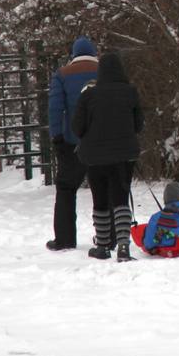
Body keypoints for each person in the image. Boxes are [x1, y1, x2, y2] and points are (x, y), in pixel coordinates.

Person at [72, 51, 143, 261]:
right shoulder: (130, 93)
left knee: (99, 200)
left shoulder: (88, 95)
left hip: (94, 156)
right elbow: (139, 125)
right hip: (124, 155)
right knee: (121, 199)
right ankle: (123, 247)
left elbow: (77, 127)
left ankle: (102, 246)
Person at [46, 36, 98, 251]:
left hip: (72, 141)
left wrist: (57, 136)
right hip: (101, 140)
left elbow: (55, 108)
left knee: (66, 189)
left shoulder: (63, 74)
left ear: (73, 54)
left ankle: (65, 239)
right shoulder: (105, 71)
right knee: (103, 189)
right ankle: (108, 235)